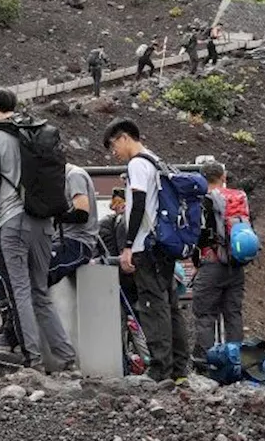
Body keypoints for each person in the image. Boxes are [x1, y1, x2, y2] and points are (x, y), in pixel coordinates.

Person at [0, 88, 77, 371]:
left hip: (12, 223)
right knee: (40, 292)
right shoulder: (36, 134)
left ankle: (31, 357)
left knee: (19, 291)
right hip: (44, 223)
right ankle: (65, 356)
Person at [104, 118, 189, 382]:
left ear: (124, 138)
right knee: (170, 305)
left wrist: (128, 246)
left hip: (147, 246)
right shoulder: (156, 160)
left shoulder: (138, 163)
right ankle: (179, 369)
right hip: (163, 245)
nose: (113, 153)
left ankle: (160, 369)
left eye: (112, 146)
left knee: (153, 307)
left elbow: (138, 203)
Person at [192, 161, 250, 359]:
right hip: (237, 263)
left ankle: (207, 362)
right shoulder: (238, 198)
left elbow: (198, 234)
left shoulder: (204, 200)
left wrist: (196, 259)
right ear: (223, 177)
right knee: (233, 314)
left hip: (211, 262)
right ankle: (236, 360)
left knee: (206, 315)